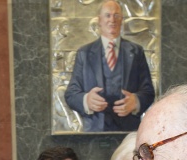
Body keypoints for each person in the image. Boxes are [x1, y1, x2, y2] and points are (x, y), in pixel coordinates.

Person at [64, 0, 154, 132]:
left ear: (122, 20)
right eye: (107, 15)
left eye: (116, 15)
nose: (112, 20)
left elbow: (148, 92)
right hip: (94, 132)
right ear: (99, 20)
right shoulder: (84, 53)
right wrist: (86, 100)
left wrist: (136, 102)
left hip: (128, 131)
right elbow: (71, 94)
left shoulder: (136, 52)